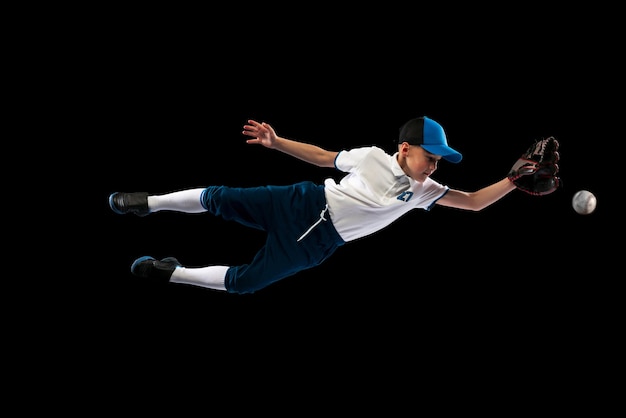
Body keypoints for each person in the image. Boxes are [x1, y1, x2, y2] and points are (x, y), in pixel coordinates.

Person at [109, 116, 521, 294]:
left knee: (246, 283)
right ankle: (150, 202)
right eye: (429, 156)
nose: (433, 164)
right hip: (302, 202)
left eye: (438, 160)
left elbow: (474, 203)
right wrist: (276, 142)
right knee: (221, 198)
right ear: (404, 148)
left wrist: (513, 180)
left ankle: (172, 273)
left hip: (316, 244)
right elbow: (324, 157)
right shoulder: (373, 156)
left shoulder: (426, 190)